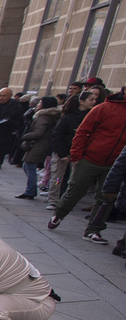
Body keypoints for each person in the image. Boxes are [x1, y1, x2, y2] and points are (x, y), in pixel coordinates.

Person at [47, 85, 126, 244]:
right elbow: (82, 132)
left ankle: (93, 230)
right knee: (73, 190)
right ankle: (59, 214)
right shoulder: (105, 108)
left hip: (114, 164)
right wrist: (76, 156)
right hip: (89, 159)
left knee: (106, 198)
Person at [45, 90, 97, 209]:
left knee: (74, 180)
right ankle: (53, 199)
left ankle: (67, 200)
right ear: (82, 101)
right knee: (57, 178)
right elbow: (57, 135)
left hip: (80, 154)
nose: (94, 102)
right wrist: (62, 153)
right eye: (91, 99)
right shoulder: (68, 117)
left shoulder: (92, 117)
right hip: (63, 152)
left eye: (95, 100)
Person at [17, 96, 61, 199]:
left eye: (40, 102)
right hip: (44, 144)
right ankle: (31, 189)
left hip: (39, 144)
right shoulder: (51, 116)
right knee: (27, 166)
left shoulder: (43, 116)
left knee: (29, 166)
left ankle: (30, 191)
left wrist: (25, 136)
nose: (38, 104)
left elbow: (39, 132)